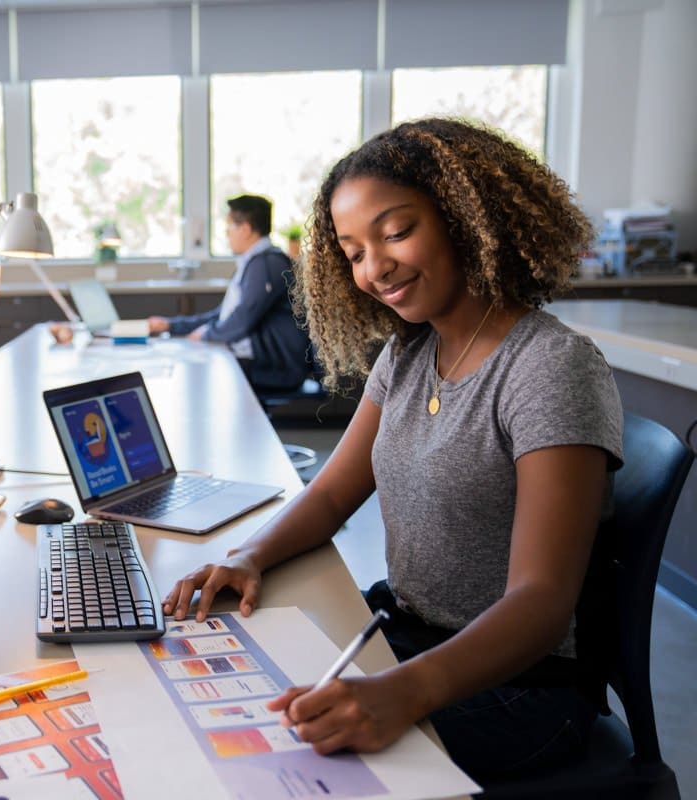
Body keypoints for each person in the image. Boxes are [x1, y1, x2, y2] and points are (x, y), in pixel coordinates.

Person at [161, 118, 623, 781]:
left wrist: (400, 692)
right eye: (351, 252)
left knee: (281, 774)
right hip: (406, 634)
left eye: (396, 232)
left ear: (468, 217)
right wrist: (247, 557)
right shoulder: (410, 353)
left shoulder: (551, 367)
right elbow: (329, 494)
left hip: (521, 687)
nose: (373, 268)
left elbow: (542, 603)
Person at [147, 194, 316, 390]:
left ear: (245, 229)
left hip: (274, 367)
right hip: (262, 360)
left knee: (197, 370)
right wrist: (171, 325)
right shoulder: (253, 263)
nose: (227, 234)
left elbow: (241, 320)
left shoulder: (266, 264)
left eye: (229, 228)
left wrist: (206, 334)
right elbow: (222, 316)